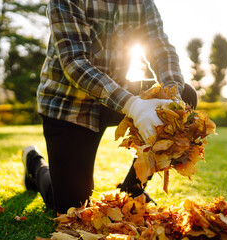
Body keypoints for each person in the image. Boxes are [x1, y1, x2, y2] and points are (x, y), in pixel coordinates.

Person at [22, 0, 198, 214]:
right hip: (68, 105)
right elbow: (75, 62)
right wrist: (132, 105)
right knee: (73, 208)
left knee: (185, 95)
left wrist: (174, 97)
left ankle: (132, 190)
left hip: (114, 95)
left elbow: (161, 50)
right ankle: (35, 164)